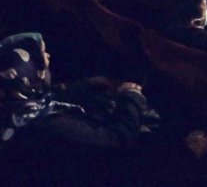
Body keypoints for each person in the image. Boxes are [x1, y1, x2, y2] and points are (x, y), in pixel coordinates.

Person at [0, 32, 148, 184]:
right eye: (43, 55)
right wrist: (132, 95)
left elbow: (51, 98)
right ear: (31, 71)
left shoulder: (15, 104)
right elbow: (117, 139)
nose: (48, 56)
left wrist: (86, 85)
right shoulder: (49, 124)